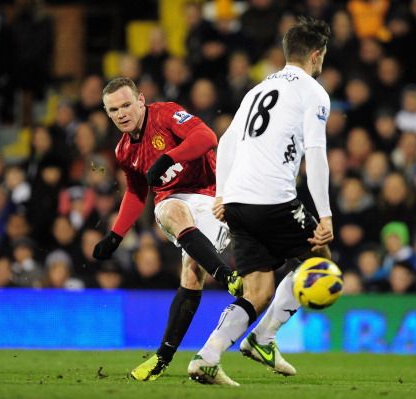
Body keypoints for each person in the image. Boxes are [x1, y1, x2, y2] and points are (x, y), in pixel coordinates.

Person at [187, 16, 334, 386]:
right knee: (320, 262)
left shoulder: (258, 88)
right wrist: (326, 215)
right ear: (316, 55)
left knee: (258, 290)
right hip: (273, 198)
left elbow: (225, 143)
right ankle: (263, 338)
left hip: (238, 201)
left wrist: (223, 193)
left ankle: (207, 357)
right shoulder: (314, 93)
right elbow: (315, 154)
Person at [92, 77, 242, 381]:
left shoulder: (166, 114)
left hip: (211, 195)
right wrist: (115, 235)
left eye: (125, 105)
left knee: (191, 273)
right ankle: (228, 278)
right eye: (113, 110)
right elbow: (136, 194)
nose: (121, 113)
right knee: (171, 209)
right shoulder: (124, 151)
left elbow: (206, 137)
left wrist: (168, 157)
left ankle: (162, 358)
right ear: (107, 113)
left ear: (140, 100)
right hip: (173, 202)